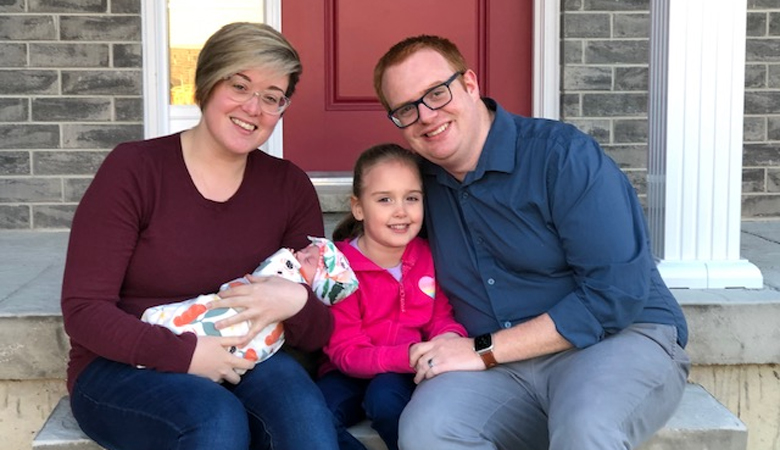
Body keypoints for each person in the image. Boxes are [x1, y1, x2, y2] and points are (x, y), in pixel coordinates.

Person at [372, 35, 691, 450]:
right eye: (406, 109)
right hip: (499, 368)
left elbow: (616, 295)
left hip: (616, 340)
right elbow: (370, 252)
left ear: (470, 84)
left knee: (585, 431)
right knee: (427, 431)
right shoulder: (419, 185)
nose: (426, 116)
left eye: (436, 93)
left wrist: (484, 350)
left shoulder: (562, 158)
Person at [61, 22, 342, 450]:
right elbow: (84, 310)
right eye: (240, 85)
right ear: (208, 82)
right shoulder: (135, 171)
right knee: (215, 420)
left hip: (249, 358)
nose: (253, 107)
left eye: (271, 97)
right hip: (125, 366)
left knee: (305, 421)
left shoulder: (289, 187)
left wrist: (298, 302)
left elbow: (319, 331)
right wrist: (185, 355)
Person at [316, 143, 467, 450]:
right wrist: (407, 355)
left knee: (386, 400)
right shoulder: (340, 268)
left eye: (411, 198)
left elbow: (440, 316)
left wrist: (449, 338)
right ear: (358, 207)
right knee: (314, 414)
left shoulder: (426, 255)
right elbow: (346, 352)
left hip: (397, 374)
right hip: (348, 371)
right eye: (385, 199)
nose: (401, 211)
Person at [141, 236, 358, 366]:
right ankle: (160, 336)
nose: (299, 255)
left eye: (308, 258)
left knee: (221, 331)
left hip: (253, 331)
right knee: (205, 315)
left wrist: (285, 259)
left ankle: (165, 333)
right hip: (232, 307)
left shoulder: (290, 276)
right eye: (302, 251)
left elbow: (272, 271)